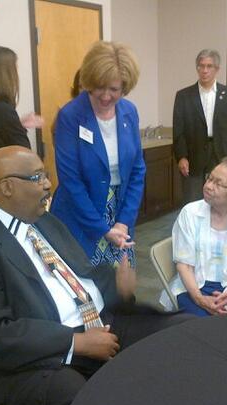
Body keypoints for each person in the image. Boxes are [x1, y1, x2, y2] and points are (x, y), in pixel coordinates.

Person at [0, 146, 190, 405]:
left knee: (181, 331)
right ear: (7, 187)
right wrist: (75, 342)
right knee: (80, 403)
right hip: (34, 358)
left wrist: (118, 290)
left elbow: (84, 276)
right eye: (37, 177)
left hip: (99, 322)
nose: (48, 184)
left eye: (46, 175)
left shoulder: (47, 221)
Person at [51, 41, 145, 268]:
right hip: (81, 214)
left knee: (121, 281)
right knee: (86, 279)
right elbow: (71, 181)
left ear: (125, 87)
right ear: (89, 81)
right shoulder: (71, 116)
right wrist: (102, 228)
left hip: (120, 214)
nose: (105, 96)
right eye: (100, 87)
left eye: (114, 89)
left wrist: (124, 221)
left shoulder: (129, 112)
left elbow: (137, 171)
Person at [165, 155, 227, 316]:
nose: (208, 186)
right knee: (202, 324)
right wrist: (200, 299)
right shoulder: (190, 213)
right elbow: (184, 266)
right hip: (194, 286)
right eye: (209, 179)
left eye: (218, 184)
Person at [173, 49, 227, 204]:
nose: (204, 70)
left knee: (220, 197)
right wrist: (182, 156)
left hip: (220, 152)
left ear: (217, 69)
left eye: (209, 66)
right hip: (193, 153)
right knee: (192, 199)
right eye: (201, 66)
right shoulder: (184, 96)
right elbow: (178, 129)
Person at [0, 45, 43, 196]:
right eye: (14, 70)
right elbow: (24, 154)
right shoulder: (4, 110)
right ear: (5, 75)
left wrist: (18, 124)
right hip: (7, 187)